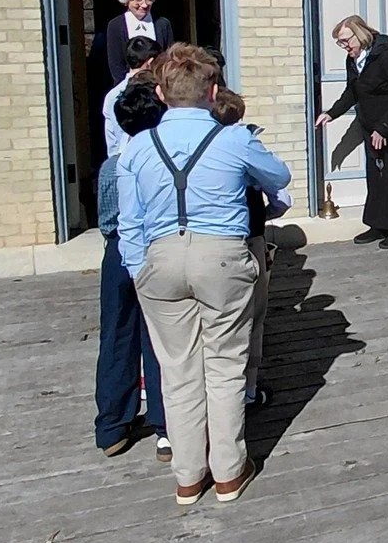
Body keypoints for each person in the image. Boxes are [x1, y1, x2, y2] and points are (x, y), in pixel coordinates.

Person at [117, 45, 292, 507]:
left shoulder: (137, 146)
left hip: (159, 258)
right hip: (222, 257)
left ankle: (188, 476)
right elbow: (279, 176)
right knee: (225, 364)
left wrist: (138, 267)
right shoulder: (232, 140)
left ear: (160, 92)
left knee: (177, 370)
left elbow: (128, 222)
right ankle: (230, 471)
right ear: (213, 92)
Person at [94, 80, 168, 459]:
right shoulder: (156, 161)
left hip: (115, 253)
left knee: (116, 336)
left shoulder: (110, 167)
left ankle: (111, 425)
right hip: (152, 250)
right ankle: (165, 425)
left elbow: (107, 220)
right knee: (158, 337)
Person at [210, 83, 288, 408]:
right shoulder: (242, 145)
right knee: (253, 316)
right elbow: (280, 184)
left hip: (202, 243)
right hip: (246, 236)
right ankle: (249, 390)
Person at [314, 14, 388, 242]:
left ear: (360, 35)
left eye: (346, 40)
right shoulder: (354, 60)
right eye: (340, 43)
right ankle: (378, 224)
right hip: (371, 127)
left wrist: (384, 127)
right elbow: (352, 91)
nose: (344, 46)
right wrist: (331, 113)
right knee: (375, 178)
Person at [101, 35, 163, 159]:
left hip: (122, 157)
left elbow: (111, 138)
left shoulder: (111, 95)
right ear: (150, 63)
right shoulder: (157, 91)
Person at [103, 0, 172, 84]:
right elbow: (116, 65)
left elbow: (168, 58)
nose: (144, 5)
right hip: (129, 88)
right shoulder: (115, 26)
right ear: (126, 0)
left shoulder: (162, 24)